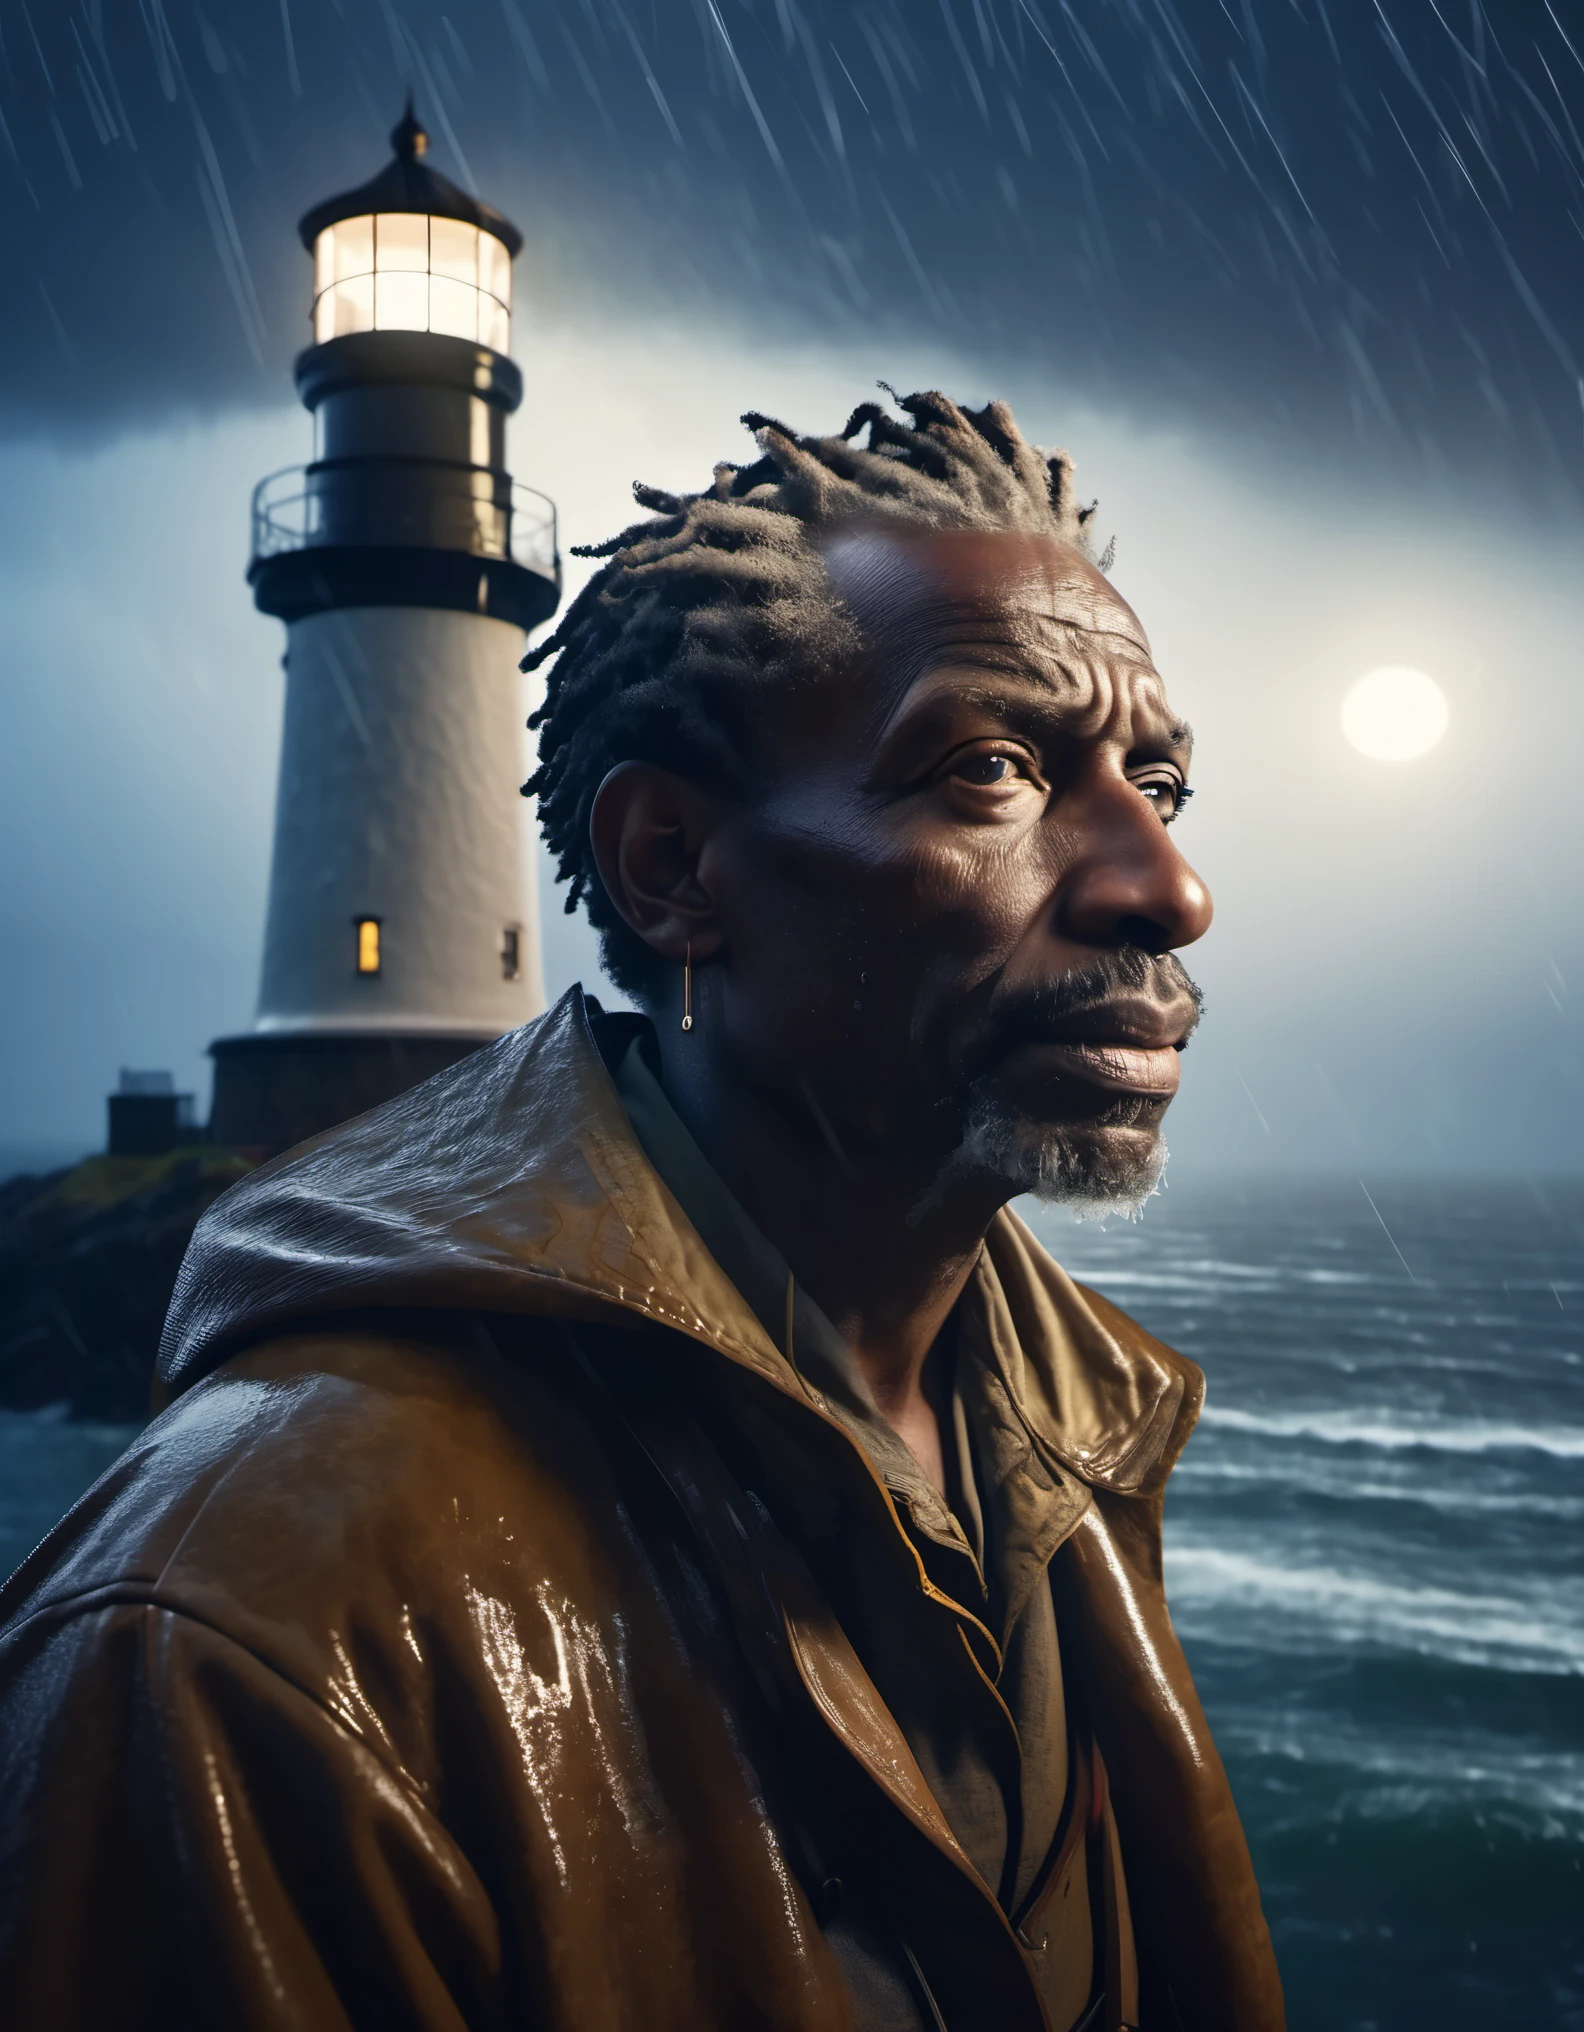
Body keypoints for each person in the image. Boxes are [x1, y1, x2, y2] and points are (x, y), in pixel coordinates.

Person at [0, 390, 1284, 2030]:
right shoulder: (239, 1621)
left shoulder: (1065, 1437)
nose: (1166, 886)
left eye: (1156, 782)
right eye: (992, 770)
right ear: (672, 863)